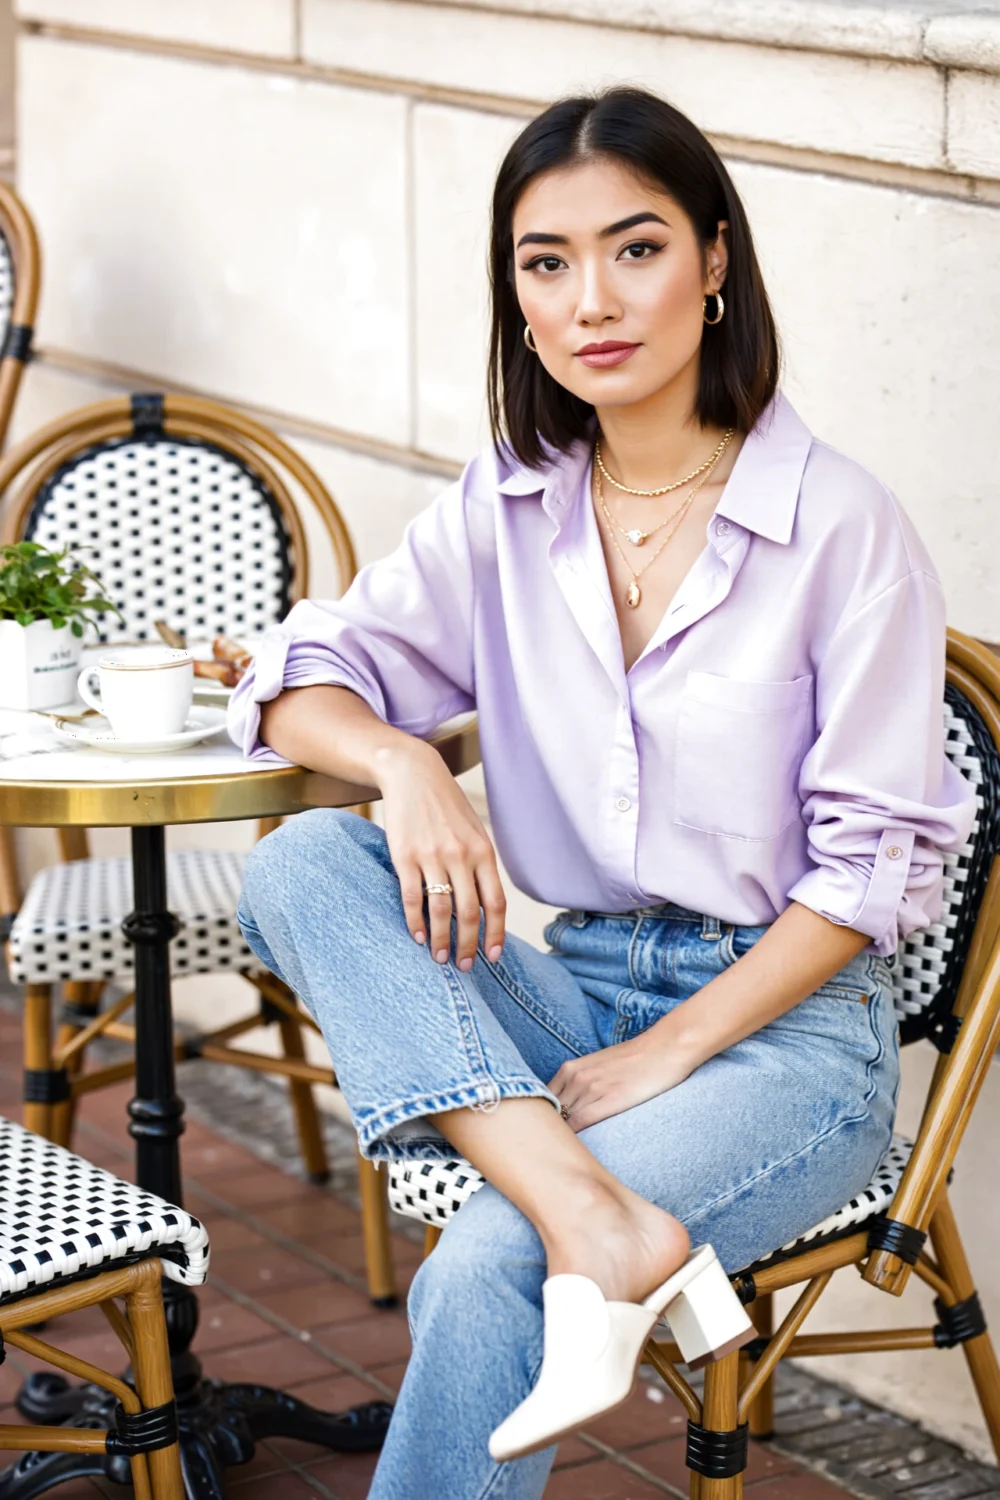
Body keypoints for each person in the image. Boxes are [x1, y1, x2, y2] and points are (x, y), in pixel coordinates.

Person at [230, 86, 974, 1499]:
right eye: (545, 262)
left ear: (715, 262)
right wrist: (402, 764)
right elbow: (306, 668)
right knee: (307, 864)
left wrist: (674, 1047)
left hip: (787, 1042)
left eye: (635, 249)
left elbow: (870, 874)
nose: (592, 301)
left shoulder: (841, 527)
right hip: (572, 992)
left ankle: (564, 1223)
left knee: (494, 1271)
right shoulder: (510, 500)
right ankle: (592, 1211)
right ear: (516, 299)